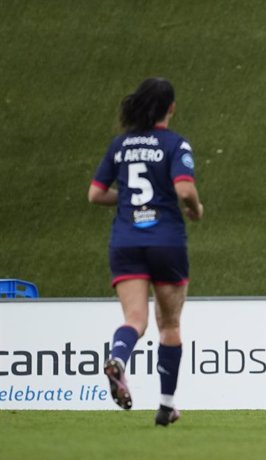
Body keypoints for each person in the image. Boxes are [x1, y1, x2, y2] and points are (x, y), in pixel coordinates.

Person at [88, 77, 203, 426]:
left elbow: (95, 194)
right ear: (170, 107)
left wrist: (127, 201)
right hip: (165, 240)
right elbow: (184, 190)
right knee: (169, 325)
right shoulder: (174, 144)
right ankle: (166, 405)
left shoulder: (120, 145)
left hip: (126, 241)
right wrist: (196, 209)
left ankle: (119, 358)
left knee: (134, 320)